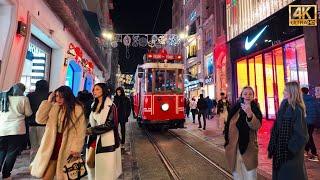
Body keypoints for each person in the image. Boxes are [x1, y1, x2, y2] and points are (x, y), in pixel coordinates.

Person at [30, 86, 86, 179]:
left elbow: (80, 131)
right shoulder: (53, 107)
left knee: (65, 176)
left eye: (61, 97)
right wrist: (48, 102)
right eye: (56, 96)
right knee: (46, 176)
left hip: (67, 145)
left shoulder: (77, 110)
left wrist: (76, 147)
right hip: (51, 143)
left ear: (67, 97)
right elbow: (40, 120)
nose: (58, 99)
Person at [268, 81, 309, 180]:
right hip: (280, 150)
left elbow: (302, 135)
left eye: (285, 90)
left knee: (290, 175)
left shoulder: (297, 109)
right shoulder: (284, 106)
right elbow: (277, 127)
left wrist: (290, 148)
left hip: (290, 154)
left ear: (292, 92)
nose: (283, 92)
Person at [224, 86, 262, 180]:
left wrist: (249, 114)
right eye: (245, 94)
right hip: (234, 149)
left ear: (253, 96)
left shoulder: (255, 109)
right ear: (241, 95)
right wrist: (227, 143)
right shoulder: (235, 108)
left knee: (250, 177)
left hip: (248, 149)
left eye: (250, 94)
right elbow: (228, 125)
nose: (247, 96)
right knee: (238, 177)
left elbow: (256, 125)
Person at [86, 83, 122, 180]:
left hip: (106, 139)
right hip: (94, 138)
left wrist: (91, 130)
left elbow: (111, 124)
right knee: (89, 162)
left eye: (97, 89)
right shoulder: (94, 104)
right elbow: (92, 121)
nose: (94, 91)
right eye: (94, 89)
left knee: (104, 167)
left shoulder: (111, 105)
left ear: (103, 91)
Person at [0, 83, 32, 179]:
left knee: (1, 151)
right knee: (11, 153)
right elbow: (28, 113)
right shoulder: (23, 99)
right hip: (17, 130)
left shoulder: (3, 97)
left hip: (2, 129)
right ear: (22, 90)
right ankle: (6, 175)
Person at [26, 80, 49, 161]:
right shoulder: (49, 96)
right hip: (44, 124)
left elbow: (27, 111)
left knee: (33, 146)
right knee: (43, 146)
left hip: (32, 124)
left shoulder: (30, 95)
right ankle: (41, 164)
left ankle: (32, 164)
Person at [301, 87, 320, 161]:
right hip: (313, 121)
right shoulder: (313, 99)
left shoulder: (302, 100)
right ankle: (306, 151)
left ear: (302, 92)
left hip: (306, 121)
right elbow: (318, 110)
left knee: (308, 136)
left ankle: (314, 153)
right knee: (308, 135)